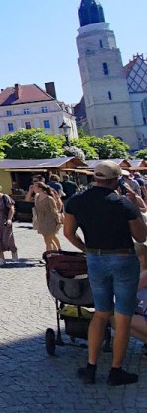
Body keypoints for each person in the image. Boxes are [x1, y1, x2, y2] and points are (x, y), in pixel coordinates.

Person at [63, 160, 147, 386]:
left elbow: (68, 233)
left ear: (95, 178)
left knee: (100, 313)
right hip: (122, 259)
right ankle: (115, 370)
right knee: (122, 317)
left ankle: (91, 367)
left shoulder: (75, 201)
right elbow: (141, 237)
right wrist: (137, 210)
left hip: (95, 259)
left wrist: (87, 250)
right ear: (116, 180)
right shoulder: (122, 203)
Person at [32, 182, 63, 252]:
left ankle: (49, 256)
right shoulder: (37, 197)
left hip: (50, 221)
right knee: (49, 239)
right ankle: (55, 254)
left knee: (48, 241)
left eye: (35, 187)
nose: (33, 188)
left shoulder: (49, 198)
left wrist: (58, 221)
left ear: (40, 188)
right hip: (41, 221)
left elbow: (54, 211)